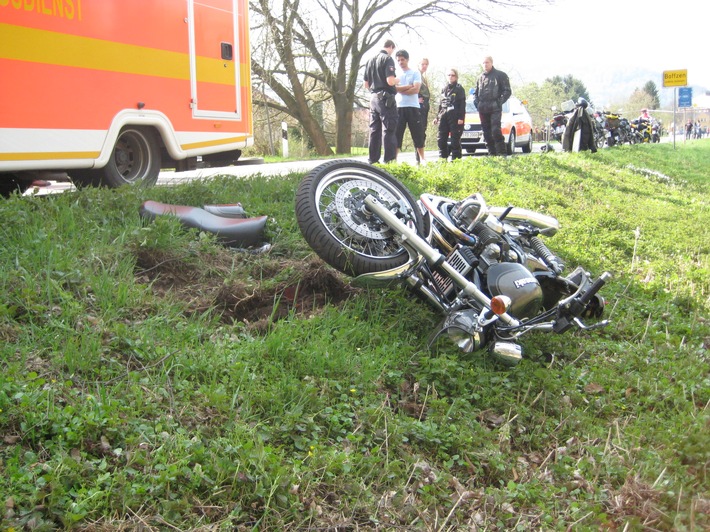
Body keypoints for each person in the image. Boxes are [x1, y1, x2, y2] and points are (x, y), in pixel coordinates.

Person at [363, 40, 399, 164]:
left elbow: (366, 84)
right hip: (385, 98)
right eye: (393, 50)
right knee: (389, 129)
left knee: (374, 130)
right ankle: (389, 161)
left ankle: (373, 160)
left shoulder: (369, 61)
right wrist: (397, 80)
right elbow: (390, 81)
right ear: (391, 47)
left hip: (373, 98)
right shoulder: (387, 59)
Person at [473, 56, 511, 156]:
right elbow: (475, 93)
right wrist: (477, 103)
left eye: (487, 62)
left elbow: (507, 91)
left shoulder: (500, 75)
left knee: (495, 130)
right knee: (486, 132)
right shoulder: (480, 77)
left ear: (492, 63)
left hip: (495, 108)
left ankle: (502, 154)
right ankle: (491, 154)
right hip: (483, 109)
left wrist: (499, 102)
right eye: (484, 63)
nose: (485, 64)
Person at [393, 50, 426, 164]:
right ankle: (394, 160)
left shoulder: (415, 73)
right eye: (398, 60)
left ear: (407, 60)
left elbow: (416, 89)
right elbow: (393, 89)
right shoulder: (396, 74)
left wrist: (400, 89)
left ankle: (422, 159)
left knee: (417, 133)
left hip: (413, 107)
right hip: (399, 107)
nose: (400, 62)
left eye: (402, 59)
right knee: (397, 134)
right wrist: (408, 87)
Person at [434, 68, 466, 161]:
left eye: (452, 75)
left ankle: (456, 159)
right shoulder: (444, 89)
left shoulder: (459, 89)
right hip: (443, 115)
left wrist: (461, 117)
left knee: (455, 139)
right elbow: (440, 104)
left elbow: (462, 105)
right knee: (441, 138)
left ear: (456, 77)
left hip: (455, 116)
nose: (450, 77)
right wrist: (437, 117)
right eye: (449, 75)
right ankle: (442, 158)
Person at [416, 58, 431, 163]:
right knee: (419, 132)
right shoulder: (416, 75)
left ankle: (420, 158)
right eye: (422, 64)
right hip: (419, 107)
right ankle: (419, 159)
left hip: (425, 106)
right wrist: (416, 99)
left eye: (426, 64)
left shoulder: (424, 77)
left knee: (422, 131)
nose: (424, 66)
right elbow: (412, 87)